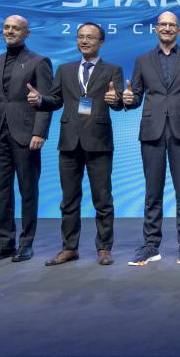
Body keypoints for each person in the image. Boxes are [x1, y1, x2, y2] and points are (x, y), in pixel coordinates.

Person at [30, 22, 124, 267]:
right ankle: (69, 248)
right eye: (80, 37)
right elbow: (55, 99)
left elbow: (118, 102)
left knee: (103, 199)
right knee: (69, 199)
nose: (84, 41)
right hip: (69, 141)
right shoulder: (65, 69)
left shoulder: (113, 70)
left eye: (90, 37)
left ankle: (104, 248)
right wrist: (40, 100)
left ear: (101, 42)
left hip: (99, 141)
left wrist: (115, 99)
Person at [122, 11, 180, 266]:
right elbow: (136, 95)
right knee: (152, 192)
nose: (167, 28)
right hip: (152, 131)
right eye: (163, 24)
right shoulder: (143, 60)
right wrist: (128, 99)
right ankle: (151, 245)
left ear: (179, 30)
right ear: (156, 29)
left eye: (172, 25)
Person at [0, 15, 52, 263]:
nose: (10, 31)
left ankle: (26, 243)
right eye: (6, 27)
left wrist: (40, 132)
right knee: (1, 192)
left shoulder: (39, 61)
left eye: (16, 28)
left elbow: (45, 100)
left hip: (26, 134)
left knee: (28, 191)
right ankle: (6, 243)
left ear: (27, 33)